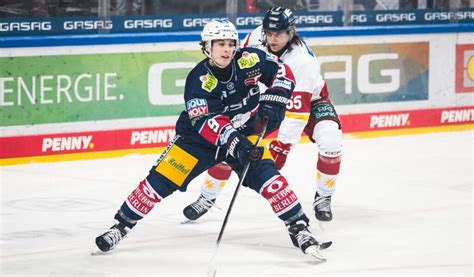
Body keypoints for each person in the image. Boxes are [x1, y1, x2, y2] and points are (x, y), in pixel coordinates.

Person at [94, 19, 324, 258]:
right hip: (197, 142)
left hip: (244, 133)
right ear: (206, 47)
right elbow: (209, 124)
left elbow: (282, 71)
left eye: (230, 43)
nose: (227, 49)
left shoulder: (249, 60)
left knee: (271, 180)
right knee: (157, 183)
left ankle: (299, 227)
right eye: (220, 44)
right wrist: (240, 145)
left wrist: (277, 97)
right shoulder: (199, 81)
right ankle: (120, 226)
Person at [183, 7, 342, 225]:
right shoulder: (258, 35)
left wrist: (282, 147)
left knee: (331, 138)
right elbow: (239, 61)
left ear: (291, 32)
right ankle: (207, 197)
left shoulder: (302, 61)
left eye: (279, 34)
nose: (272, 38)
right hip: (268, 96)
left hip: (310, 100)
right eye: (269, 32)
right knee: (233, 140)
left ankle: (324, 196)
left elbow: (296, 113)